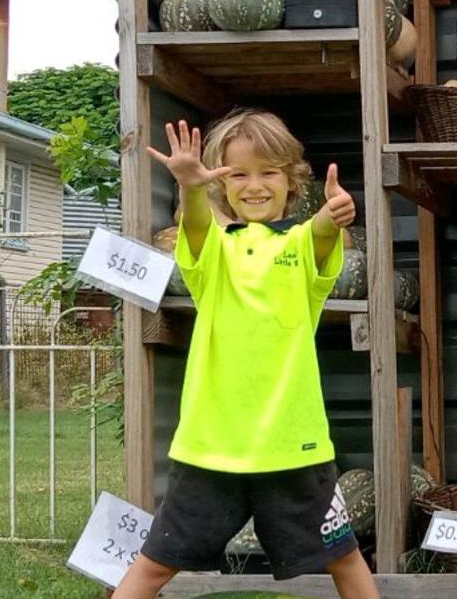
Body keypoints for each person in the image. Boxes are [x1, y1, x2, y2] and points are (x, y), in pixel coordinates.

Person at [114, 109, 379, 599]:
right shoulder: (212, 252)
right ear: (221, 183)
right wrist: (191, 189)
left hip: (294, 445)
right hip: (213, 446)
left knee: (344, 557)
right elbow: (196, 227)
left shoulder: (300, 247)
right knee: (154, 563)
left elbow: (319, 234)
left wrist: (332, 213)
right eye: (238, 173)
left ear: (292, 181)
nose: (254, 185)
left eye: (268, 172)